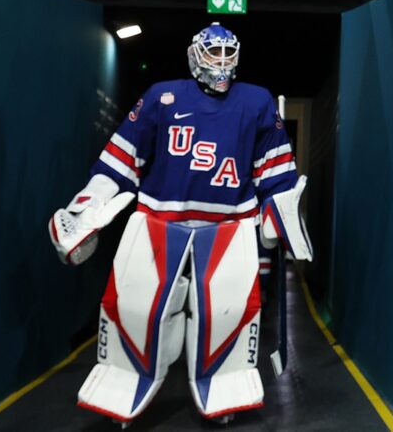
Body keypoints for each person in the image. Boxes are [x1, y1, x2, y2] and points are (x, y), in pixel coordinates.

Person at [48, 24, 312, 422]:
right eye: (213, 53)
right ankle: (123, 382)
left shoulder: (256, 102)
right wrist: (89, 204)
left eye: (228, 53)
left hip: (229, 223)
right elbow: (123, 158)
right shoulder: (162, 96)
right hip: (159, 216)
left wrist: (279, 214)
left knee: (227, 314)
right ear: (195, 54)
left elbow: (275, 173)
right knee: (136, 307)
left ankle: (223, 388)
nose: (221, 62)